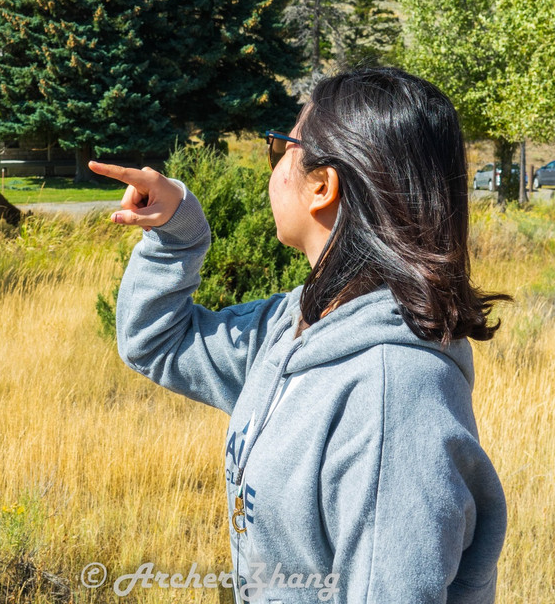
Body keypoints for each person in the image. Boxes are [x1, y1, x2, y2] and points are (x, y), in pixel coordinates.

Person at [88, 67, 508, 603]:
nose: (275, 162)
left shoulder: (393, 398)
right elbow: (157, 341)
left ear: (321, 186)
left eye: (282, 148)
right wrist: (176, 233)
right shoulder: (297, 325)